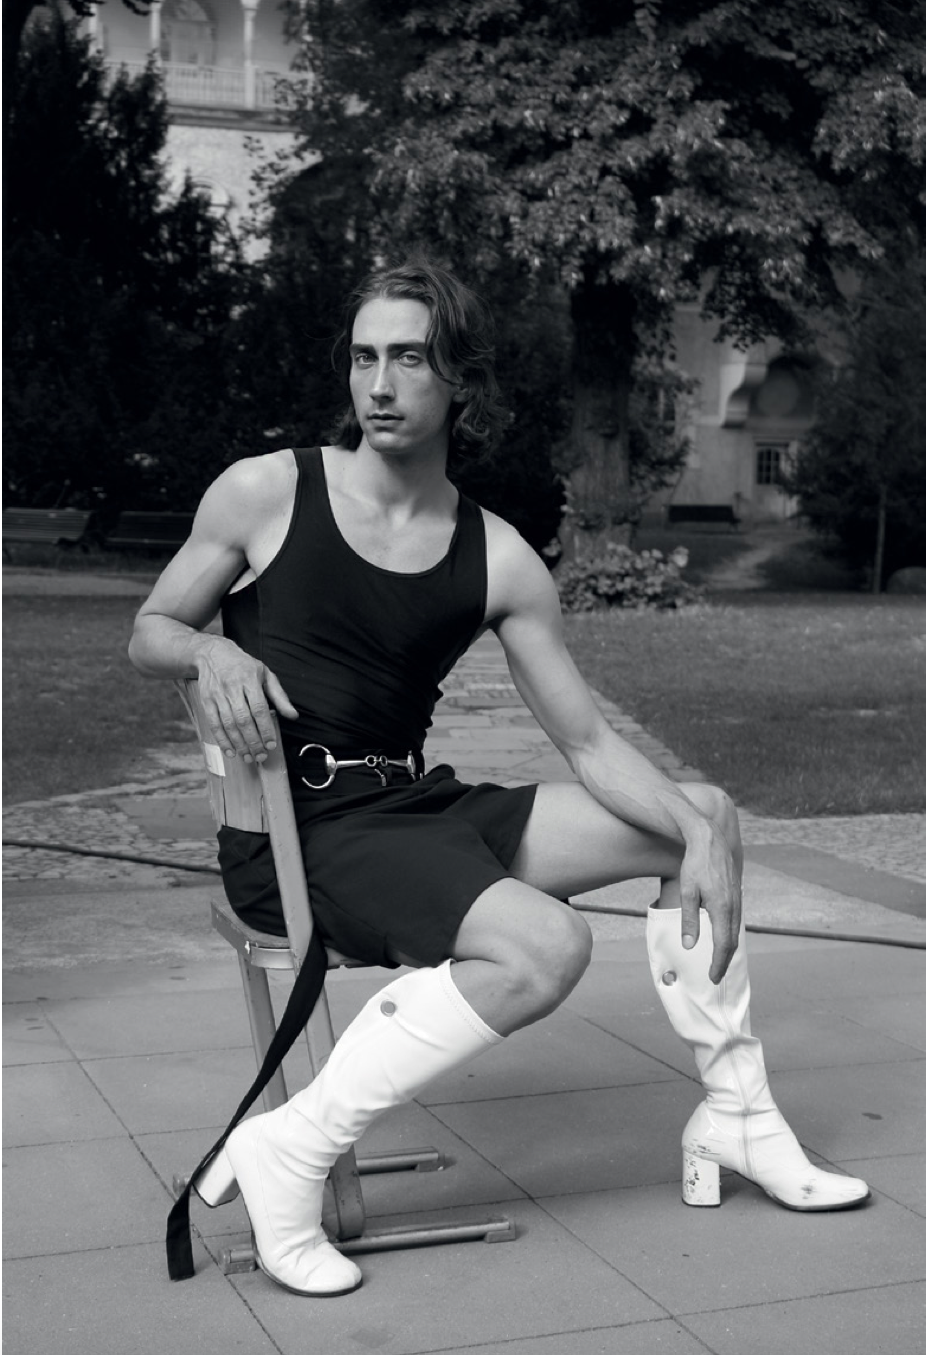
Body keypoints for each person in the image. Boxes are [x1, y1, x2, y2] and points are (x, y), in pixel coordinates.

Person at [129, 259, 868, 1298]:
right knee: (547, 944)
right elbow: (150, 629)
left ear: (459, 380)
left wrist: (701, 835)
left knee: (701, 813)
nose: (379, 384)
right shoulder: (267, 490)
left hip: (410, 808)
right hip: (298, 832)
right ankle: (289, 1147)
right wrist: (209, 651)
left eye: (408, 359)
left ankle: (736, 1116)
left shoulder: (499, 556)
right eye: (363, 357)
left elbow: (587, 741)